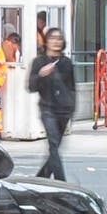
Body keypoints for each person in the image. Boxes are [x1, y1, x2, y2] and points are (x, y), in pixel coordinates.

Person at [29, 23, 78, 177]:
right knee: (54, 145)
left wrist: (72, 108)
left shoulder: (66, 63)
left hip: (64, 110)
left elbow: (72, 87)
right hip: (47, 109)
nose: (56, 41)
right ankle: (60, 182)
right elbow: (31, 86)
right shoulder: (39, 62)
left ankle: (40, 178)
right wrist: (41, 74)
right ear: (46, 41)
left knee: (54, 149)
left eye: (59, 38)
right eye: (53, 38)